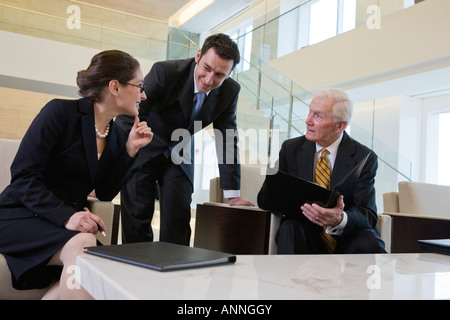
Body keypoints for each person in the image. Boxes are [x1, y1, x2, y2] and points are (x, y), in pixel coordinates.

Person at [0, 50, 153, 299]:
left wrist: (130, 149)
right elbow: (23, 175)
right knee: (83, 246)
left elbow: (104, 192)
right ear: (115, 86)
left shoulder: (115, 136)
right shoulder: (59, 112)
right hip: (20, 216)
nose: (143, 95)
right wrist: (66, 217)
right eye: (139, 86)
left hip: (61, 227)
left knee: (104, 265)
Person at [115, 33, 253, 246]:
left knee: (178, 220)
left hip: (180, 152)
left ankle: (174, 274)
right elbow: (129, 115)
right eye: (207, 68)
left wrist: (232, 194)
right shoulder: (165, 72)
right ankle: (134, 275)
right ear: (198, 56)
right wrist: (119, 161)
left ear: (229, 74)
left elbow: (226, 138)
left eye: (219, 75)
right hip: (144, 146)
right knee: (137, 218)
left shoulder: (229, 91)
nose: (209, 80)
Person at [258, 88, 386, 254]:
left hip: (345, 239)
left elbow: (367, 214)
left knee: (368, 239)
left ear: (340, 125)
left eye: (318, 115)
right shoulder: (291, 149)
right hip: (305, 232)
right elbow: (265, 199)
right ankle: (287, 280)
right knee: (290, 227)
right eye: (310, 112)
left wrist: (339, 218)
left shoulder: (365, 157)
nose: (307, 120)